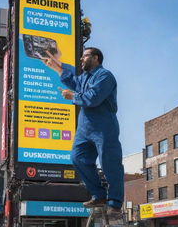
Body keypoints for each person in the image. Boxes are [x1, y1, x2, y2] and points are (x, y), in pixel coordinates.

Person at [44, 47, 124, 216]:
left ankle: (115, 202)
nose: (81, 59)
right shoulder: (85, 77)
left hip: (104, 126)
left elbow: (93, 98)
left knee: (110, 163)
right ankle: (99, 195)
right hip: (84, 128)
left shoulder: (105, 76)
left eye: (85, 56)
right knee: (77, 158)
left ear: (95, 58)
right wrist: (56, 68)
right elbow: (73, 81)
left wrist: (72, 96)